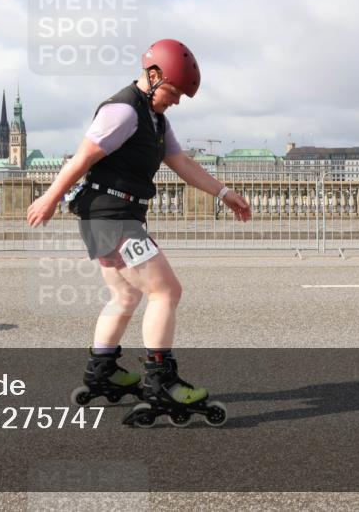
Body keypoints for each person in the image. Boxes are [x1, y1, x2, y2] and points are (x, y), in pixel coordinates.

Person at [26, 39, 252, 426]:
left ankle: (104, 369)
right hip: (112, 216)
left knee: (126, 294)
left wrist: (224, 193)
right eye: (174, 92)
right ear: (153, 76)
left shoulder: (155, 119)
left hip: (114, 215)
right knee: (166, 290)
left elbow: (180, 162)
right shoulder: (122, 112)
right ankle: (161, 382)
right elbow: (82, 158)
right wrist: (49, 197)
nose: (177, 101)